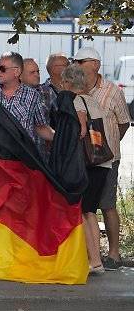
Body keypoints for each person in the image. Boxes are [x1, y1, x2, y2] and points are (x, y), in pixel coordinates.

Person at [73, 46, 130, 270]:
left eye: (81, 61)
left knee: (107, 204)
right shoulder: (76, 90)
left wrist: (109, 144)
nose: (76, 65)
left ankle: (114, 254)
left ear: (95, 64)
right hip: (83, 160)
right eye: (75, 62)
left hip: (107, 159)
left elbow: (124, 122)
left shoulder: (112, 91)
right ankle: (90, 254)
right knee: (86, 207)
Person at [60, 64, 113, 275]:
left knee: (81, 210)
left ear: (69, 83)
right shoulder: (93, 100)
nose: (62, 86)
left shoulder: (76, 100)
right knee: (90, 210)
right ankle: (96, 260)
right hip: (102, 162)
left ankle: (93, 260)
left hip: (88, 163)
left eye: (64, 82)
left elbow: (82, 128)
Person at [0, 52, 54, 150]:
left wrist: (62, 138)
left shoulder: (32, 96)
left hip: (22, 157)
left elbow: (40, 127)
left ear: (17, 72)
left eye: (2, 68)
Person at [38, 52, 69, 118]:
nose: (71, 67)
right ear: (54, 68)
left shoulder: (75, 88)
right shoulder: (42, 92)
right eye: (67, 64)